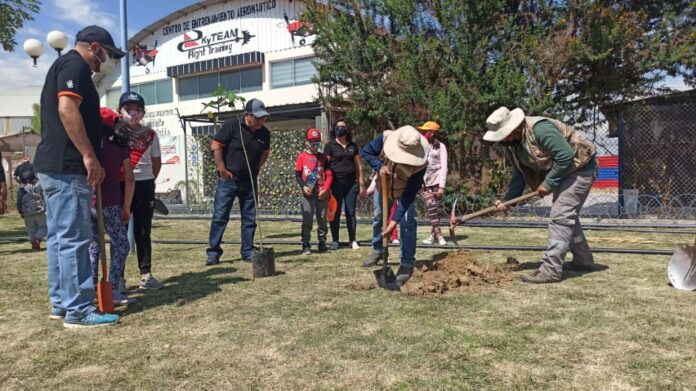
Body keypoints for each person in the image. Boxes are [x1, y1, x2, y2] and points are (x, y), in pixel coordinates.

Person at [34, 25, 125, 328]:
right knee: (75, 238)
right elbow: (67, 108)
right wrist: (89, 155)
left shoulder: (63, 65)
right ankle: (79, 309)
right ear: (95, 47)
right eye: (109, 55)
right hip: (69, 166)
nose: (108, 62)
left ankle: (61, 303)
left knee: (60, 239)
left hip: (54, 165)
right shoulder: (75, 65)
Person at [481, 106, 597, 283]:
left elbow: (565, 155)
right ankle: (584, 262)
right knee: (566, 217)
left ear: (513, 129)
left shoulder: (539, 129)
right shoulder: (515, 146)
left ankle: (551, 270)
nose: (502, 140)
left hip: (580, 169)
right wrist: (508, 201)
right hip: (565, 173)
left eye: (503, 135)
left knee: (561, 216)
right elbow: (519, 174)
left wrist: (549, 183)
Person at [361, 125, 429, 285]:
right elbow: (366, 152)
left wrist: (393, 223)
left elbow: (408, 196)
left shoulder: (421, 164)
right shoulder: (384, 138)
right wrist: (379, 166)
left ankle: (406, 263)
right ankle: (378, 251)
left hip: (403, 191)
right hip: (382, 186)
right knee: (378, 216)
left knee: (407, 223)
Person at [206, 98, 271, 265]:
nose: (261, 121)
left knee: (249, 218)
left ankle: (247, 251)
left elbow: (265, 152)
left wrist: (257, 169)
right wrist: (221, 169)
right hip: (228, 181)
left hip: (249, 181)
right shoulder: (231, 126)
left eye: (263, 117)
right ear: (247, 115)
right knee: (220, 216)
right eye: (257, 117)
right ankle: (213, 253)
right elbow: (216, 146)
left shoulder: (265, 133)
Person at [88, 108, 135, 304]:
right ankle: (113, 286)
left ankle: (89, 290)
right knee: (122, 245)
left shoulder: (88, 148)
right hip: (110, 203)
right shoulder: (119, 149)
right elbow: (130, 179)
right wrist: (126, 207)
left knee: (93, 247)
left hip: (88, 203)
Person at [117, 91, 164, 290]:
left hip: (144, 184)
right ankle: (117, 278)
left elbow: (156, 162)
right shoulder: (114, 133)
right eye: (128, 110)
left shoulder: (150, 135)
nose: (133, 115)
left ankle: (145, 274)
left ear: (143, 114)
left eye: (137, 111)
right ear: (120, 112)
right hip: (118, 184)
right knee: (118, 231)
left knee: (143, 231)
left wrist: (147, 179)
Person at [323, 119, 366, 250]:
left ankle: (352, 240)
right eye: (338, 127)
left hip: (351, 185)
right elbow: (326, 166)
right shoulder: (330, 146)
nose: (341, 129)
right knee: (335, 212)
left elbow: (359, 165)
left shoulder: (353, 146)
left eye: (343, 127)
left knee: (350, 212)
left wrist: (362, 183)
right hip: (335, 184)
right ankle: (335, 240)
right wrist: (326, 185)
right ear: (334, 129)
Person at [295, 128, 333, 255]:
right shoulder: (301, 157)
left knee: (322, 218)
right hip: (308, 193)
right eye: (312, 142)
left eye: (317, 142)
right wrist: (303, 186)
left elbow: (329, 174)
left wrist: (326, 189)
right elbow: (298, 175)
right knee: (307, 218)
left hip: (321, 193)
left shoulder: (323, 158)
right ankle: (306, 243)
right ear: (306, 142)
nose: (315, 145)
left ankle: (322, 242)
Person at [417, 121, 449, 245]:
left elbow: (444, 167)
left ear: (432, 133)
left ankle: (432, 235)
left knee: (436, 209)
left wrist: (442, 186)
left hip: (436, 180)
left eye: (426, 131)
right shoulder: (421, 146)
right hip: (424, 181)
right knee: (431, 206)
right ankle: (439, 235)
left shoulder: (441, 147)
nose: (423, 133)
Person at [16, 170, 47, 250]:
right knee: (44, 227)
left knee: (31, 228)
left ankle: (33, 241)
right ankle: (37, 239)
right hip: (40, 210)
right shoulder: (39, 185)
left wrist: (20, 211)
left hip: (27, 212)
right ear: (34, 178)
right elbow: (44, 196)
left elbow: (19, 200)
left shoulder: (22, 188)